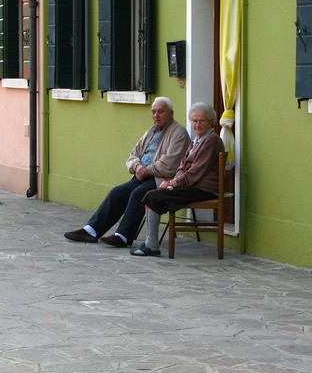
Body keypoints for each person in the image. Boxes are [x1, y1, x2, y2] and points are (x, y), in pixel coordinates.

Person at [64, 97, 192, 248]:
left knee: (138, 194)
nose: (156, 115)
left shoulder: (179, 133)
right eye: (153, 112)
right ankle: (91, 230)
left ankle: (123, 236)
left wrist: (147, 170)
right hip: (142, 176)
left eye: (160, 112)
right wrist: (137, 167)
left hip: (161, 180)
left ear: (171, 113)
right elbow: (133, 155)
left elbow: (170, 164)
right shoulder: (151, 131)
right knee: (117, 192)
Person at [130, 101, 225, 257]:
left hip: (202, 189)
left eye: (202, 121)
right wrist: (173, 181)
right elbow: (182, 165)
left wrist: (174, 182)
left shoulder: (211, 140)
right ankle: (150, 243)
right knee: (156, 194)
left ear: (210, 122)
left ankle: (152, 245)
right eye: (194, 120)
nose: (197, 124)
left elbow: (196, 171)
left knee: (152, 195)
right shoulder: (197, 140)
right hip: (191, 186)